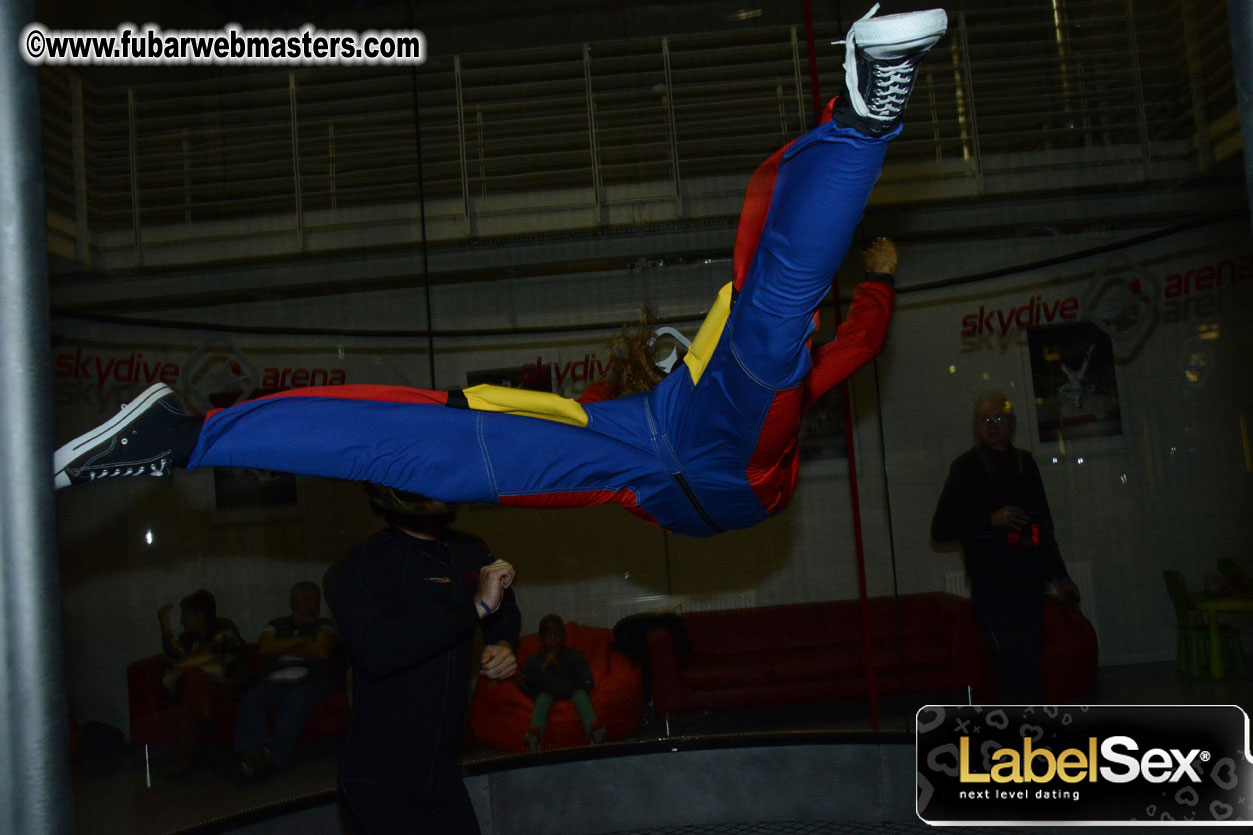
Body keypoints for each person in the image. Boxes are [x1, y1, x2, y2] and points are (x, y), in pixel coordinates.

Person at [52, 6, 947, 539]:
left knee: (770, 322)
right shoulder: (625, 409)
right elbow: (853, 344)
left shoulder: (714, 386)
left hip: (711, 463)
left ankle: (865, 113)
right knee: (449, 437)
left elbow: (849, 342)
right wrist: (876, 287)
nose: (675, 346)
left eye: (675, 345)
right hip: (671, 467)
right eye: (671, 347)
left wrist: (873, 286)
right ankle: (186, 436)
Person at [322, 484, 521, 835]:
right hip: (381, 780)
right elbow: (376, 650)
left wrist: (502, 642)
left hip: (442, 771)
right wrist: (475, 608)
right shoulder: (358, 566)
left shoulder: (468, 550)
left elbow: (503, 607)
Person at [930, 393, 1081, 703]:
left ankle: (1036, 739)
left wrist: (1061, 575)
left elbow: (1042, 524)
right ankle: (1010, 741)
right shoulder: (965, 469)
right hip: (992, 585)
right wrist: (990, 521)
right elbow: (941, 530)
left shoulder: (1024, 463)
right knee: (1007, 667)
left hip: (1029, 581)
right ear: (975, 428)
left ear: (1012, 424)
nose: (992, 427)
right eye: (985, 421)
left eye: (999, 419)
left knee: (1031, 664)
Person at [234, 580, 340, 781]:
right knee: (251, 700)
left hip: (307, 681)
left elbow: (321, 650)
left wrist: (282, 646)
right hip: (274, 681)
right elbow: (265, 648)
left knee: (299, 698)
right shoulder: (275, 624)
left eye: (316, 601)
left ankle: (274, 758)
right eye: (308, 601)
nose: (313, 606)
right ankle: (256, 752)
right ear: (293, 603)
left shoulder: (323, 625)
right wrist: (302, 642)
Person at [157, 589, 246, 774]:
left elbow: (216, 652)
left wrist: (188, 662)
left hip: (226, 686)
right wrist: (164, 624)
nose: (181, 621)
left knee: (191, 676)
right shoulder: (187, 639)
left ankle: (183, 763)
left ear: (200, 615)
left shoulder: (224, 628)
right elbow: (173, 656)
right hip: (200, 691)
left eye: (185, 615)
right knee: (192, 683)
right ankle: (206, 716)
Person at [520, 614, 603, 752]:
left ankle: (594, 730)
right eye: (549, 634)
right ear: (541, 637)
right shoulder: (536, 659)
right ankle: (534, 735)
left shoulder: (572, 654)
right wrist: (545, 667)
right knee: (542, 699)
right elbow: (528, 683)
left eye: (557, 633)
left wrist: (562, 667)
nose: (553, 638)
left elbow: (587, 679)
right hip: (546, 691)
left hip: (571, 688)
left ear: (564, 636)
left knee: (581, 695)